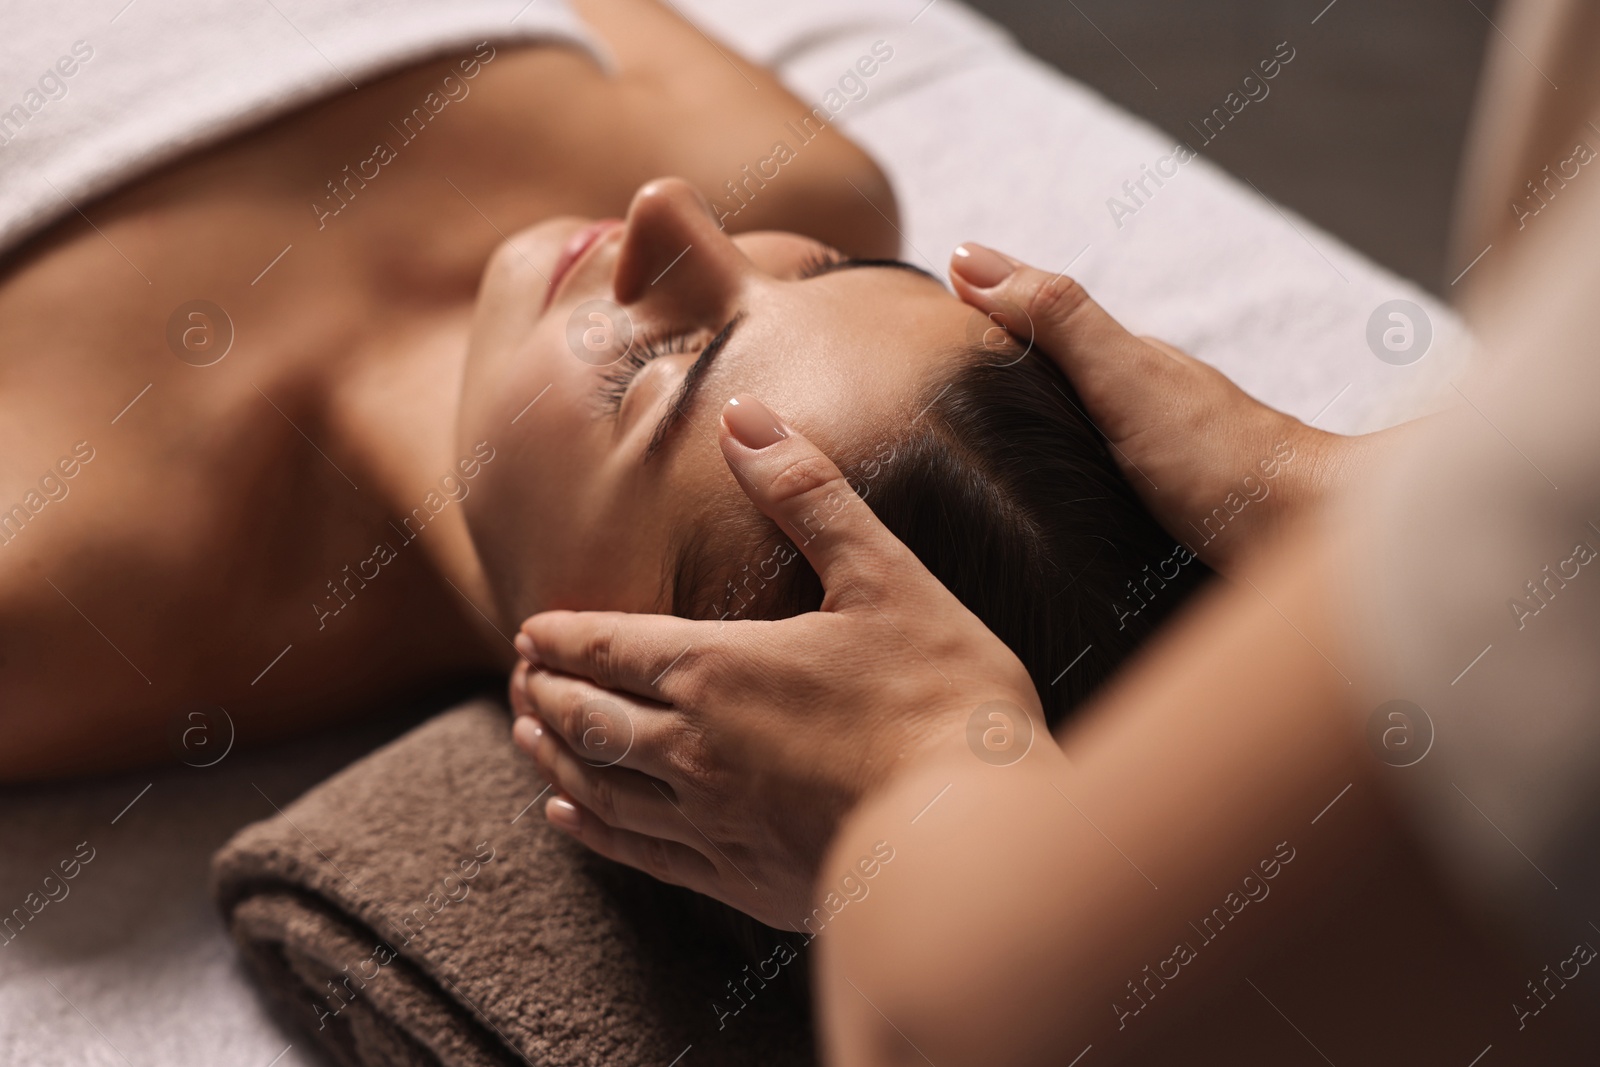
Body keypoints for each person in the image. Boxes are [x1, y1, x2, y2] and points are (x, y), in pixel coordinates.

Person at [508, 1, 1600, 1060]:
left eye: (646, 379)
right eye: (846, 266)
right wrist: (1312, 475)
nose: (672, 209)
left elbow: (995, 1025)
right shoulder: (805, 170)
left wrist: (908, 777)